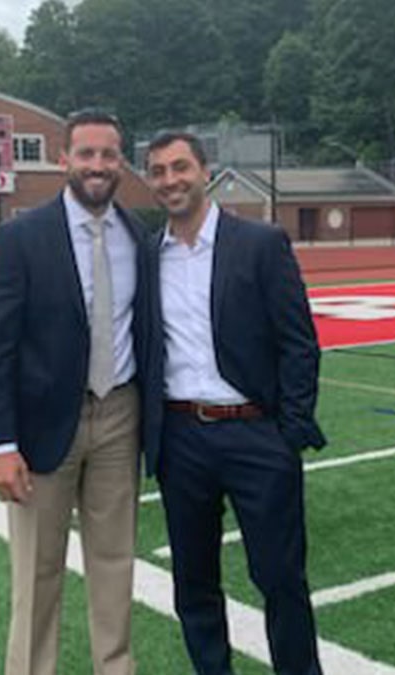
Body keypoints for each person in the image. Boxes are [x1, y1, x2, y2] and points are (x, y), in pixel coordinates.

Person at [142, 131, 327, 675]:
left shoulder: (260, 243)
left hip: (255, 434)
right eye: (157, 171)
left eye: (180, 167)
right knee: (194, 582)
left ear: (206, 171)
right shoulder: (148, 255)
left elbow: (299, 341)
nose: (170, 179)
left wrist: (287, 430)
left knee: (279, 578)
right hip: (181, 438)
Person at [0, 110, 150, 675]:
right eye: (86, 154)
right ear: (64, 160)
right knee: (36, 572)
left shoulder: (137, 234)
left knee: (114, 562)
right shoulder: (21, 237)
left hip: (120, 413)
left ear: (120, 161)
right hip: (43, 423)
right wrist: (2, 442)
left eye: (108, 155)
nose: (98, 166)